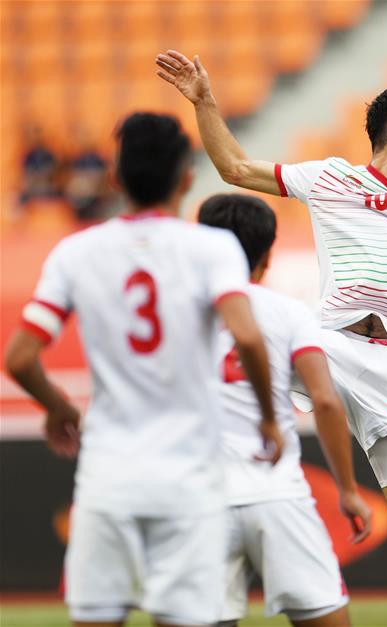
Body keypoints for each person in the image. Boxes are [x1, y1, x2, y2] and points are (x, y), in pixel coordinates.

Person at [156, 46, 387, 627]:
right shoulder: (327, 177)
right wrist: (205, 102)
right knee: (240, 363)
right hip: (326, 343)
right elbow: (236, 170)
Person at [4, 113, 283, 627]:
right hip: (189, 477)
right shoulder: (212, 249)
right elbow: (246, 336)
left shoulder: (76, 251)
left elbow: (19, 358)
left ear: (115, 179)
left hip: (108, 473)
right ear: (186, 178)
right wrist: (268, 417)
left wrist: (58, 407)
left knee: (96, 616)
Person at [197, 193, 373, 627]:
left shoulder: (181, 313)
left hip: (201, 500)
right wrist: (348, 489)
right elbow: (325, 400)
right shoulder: (289, 312)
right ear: (267, 256)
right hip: (277, 493)